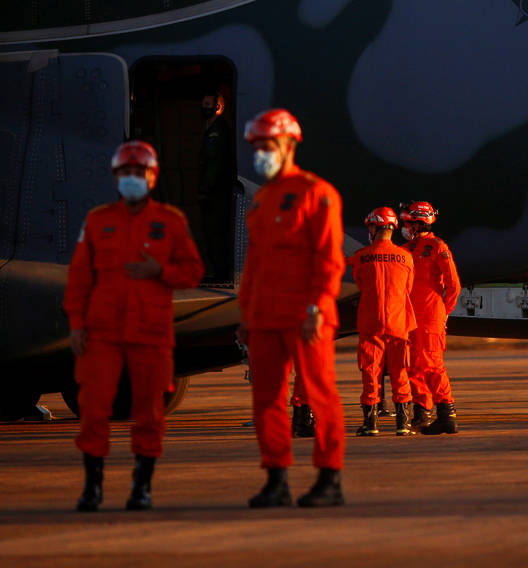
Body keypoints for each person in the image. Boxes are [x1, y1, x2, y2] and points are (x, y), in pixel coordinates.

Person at [64, 140, 204, 511]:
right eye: (125, 173)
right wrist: (77, 325)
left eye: (138, 173)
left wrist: (161, 271)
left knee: (148, 412)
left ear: (152, 176)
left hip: (150, 334)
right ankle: (92, 487)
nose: (131, 179)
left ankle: (141, 487)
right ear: (115, 177)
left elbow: (193, 272)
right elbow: (79, 279)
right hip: (102, 333)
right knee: (93, 409)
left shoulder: (171, 222)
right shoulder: (97, 222)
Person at [237, 108, 347, 507]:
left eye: (267, 146)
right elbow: (254, 265)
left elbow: (329, 259)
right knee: (265, 400)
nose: (261, 153)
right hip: (265, 318)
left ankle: (329, 479)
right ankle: (276, 479)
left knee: (319, 395)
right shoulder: (263, 198)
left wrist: (317, 307)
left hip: (305, 317)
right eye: (257, 147)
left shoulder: (317, 193)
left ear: (288, 146)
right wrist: (245, 316)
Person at [348, 207, 416, 436]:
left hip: (371, 322)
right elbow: (409, 287)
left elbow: (360, 284)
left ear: (375, 227)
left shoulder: (361, 257)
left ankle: (371, 424)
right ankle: (403, 424)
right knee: (400, 373)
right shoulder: (406, 256)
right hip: (399, 323)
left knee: (370, 372)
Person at [399, 201, 462, 435]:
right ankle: (422, 413)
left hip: (431, 316)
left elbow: (454, 285)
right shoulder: (405, 249)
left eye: (408, 222)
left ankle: (447, 413)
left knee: (432, 364)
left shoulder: (437, 246)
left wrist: (444, 312)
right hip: (410, 317)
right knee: (413, 366)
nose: (405, 226)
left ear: (418, 222)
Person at [197, 91, 236, 282]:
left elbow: (214, 163)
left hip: (216, 193)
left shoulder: (217, 131)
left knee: (216, 233)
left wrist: (205, 190)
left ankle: (221, 274)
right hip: (214, 192)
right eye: (203, 104)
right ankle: (218, 272)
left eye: (207, 104)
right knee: (211, 233)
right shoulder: (210, 128)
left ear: (218, 107)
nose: (204, 107)